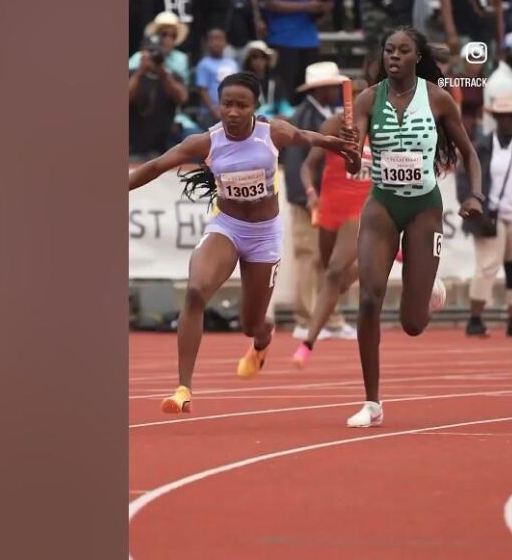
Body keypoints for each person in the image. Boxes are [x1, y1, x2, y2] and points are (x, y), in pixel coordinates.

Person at [128, 73, 356, 414]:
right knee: (196, 290)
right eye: (226, 104)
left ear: (255, 107)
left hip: (264, 234)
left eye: (241, 105)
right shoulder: (206, 142)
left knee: (252, 323)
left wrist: (332, 143)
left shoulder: (271, 133)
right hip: (228, 227)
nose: (232, 112)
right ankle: (183, 388)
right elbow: (158, 165)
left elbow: (302, 136)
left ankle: (262, 340)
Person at [340, 26, 484, 427]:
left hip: (423, 208)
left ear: (417, 57)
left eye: (403, 51)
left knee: (412, 324)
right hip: (382, 206)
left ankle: (427, 290)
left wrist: (475, 196)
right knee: (369, 296)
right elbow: (353, 165)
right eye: (389, 50)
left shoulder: (437, 99)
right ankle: (372, 402)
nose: (394, 57)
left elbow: (470, 154)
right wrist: (352, 151)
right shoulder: (369, 99)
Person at [291, 88, 374, 366]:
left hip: (359, 210)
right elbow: (308, 165)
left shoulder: (384, 129)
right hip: (329, 209)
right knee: (331, 273)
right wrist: (311, 193)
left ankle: (307, 343)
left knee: (335, 271)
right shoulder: (334, 125)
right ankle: (379, 258)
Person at [283, 62, 353, 339]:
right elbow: (295, 162)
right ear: (321, 89)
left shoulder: (331, 116)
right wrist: (306, 197)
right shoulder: (303, 117)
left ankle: (331, 317)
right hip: (309, 200)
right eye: (332, 87)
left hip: (333, 199)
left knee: (331, 260)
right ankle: (304, 318)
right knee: (307, 256)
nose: (336, 91)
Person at [458, 92, 512, 337]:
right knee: (487, 265)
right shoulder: (483, 146)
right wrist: (475, 209)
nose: (505, 121)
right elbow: (464, 177)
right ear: (495, 118)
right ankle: (475, 318)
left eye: (509, 117)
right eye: (500, 117)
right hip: (490, 215)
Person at [129, 12, 191, 160]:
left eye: (172, 36)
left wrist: (163, 72)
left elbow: (182, 98)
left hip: (162, 142)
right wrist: (140, 72)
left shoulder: (174, 71)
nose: (168, 40)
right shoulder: (135, 64)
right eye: (164, 35)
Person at [194, 28, 241, 127]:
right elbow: (202, 90)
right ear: (207, 43)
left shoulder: (232, 64)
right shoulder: (204, 64)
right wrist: (213, 111)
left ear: (225, 43)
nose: (216, 43)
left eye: (219, 39)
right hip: (211, 112)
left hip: (232, 110)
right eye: (212, 39)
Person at [241, 39, 291, 118]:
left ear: (267, 60)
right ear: (249, 61)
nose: (259, 61)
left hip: (277, 122)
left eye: (262, 57)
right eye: (254, 57)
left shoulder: (275, 81)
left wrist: (285, 114)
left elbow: (284, 106)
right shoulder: (245, 83)